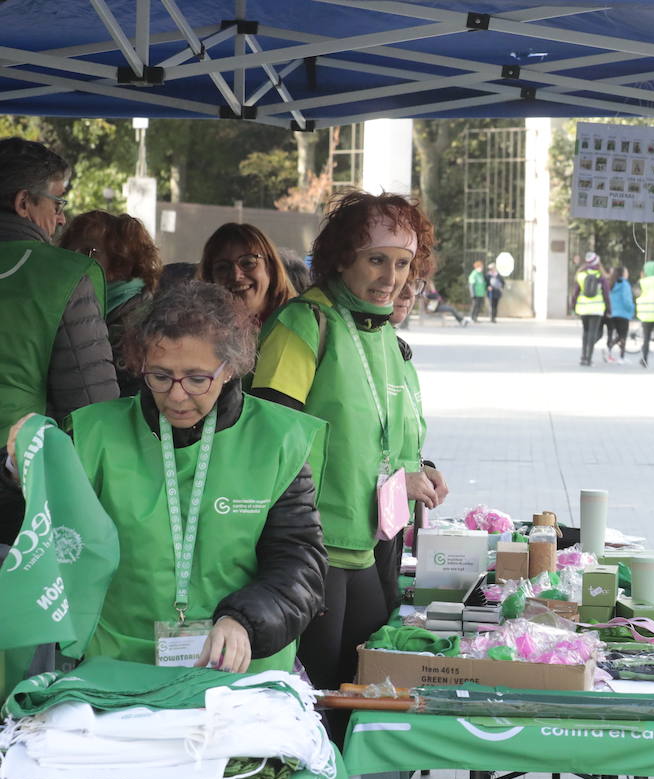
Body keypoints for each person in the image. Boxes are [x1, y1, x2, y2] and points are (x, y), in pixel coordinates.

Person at [1, 282, 327, 674]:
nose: (175, 395)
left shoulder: (279, 439)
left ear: (230, 369)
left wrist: (245, 620)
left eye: (196, 379)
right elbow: (32, 533)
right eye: (160, 376)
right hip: (118, 663)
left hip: (237, 668)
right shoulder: (93, 433)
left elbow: (299, 564)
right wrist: (18, 475)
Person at [253, 191, 440, 693]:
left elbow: (384, 431)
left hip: (372, 540)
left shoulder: (383, 333)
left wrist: (416, 466)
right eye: (376, 259)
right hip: (313, 543)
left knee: (366, 690)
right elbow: (268, 433)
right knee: (319, 695)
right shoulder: (304, 322)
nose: (391, 277)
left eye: (403, 263)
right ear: (341, 258)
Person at [0, 138, 117, 445]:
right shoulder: (68, 274)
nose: (62, 217)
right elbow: (91, 405)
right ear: (24, 202)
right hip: (19, 466)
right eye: (56, 203)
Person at [374, 274, 449, 609]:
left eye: (413, 280)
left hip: (387, 520)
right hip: (351, 534)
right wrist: (401, 482)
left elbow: (393, 437)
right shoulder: (355, 350)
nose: (405, 291)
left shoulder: (397, 351)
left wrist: (421, 467)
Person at [59, 210, 161, 396]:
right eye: (67, 251)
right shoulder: (70, 307)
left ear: (122, 264)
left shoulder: (147, 324)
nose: (72, 259)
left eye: (88, 252)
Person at [198, 223, 297, 328]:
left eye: (248, 263)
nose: (236, 276)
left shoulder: (297, 323)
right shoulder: (199, 329)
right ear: (210, 278)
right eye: (223, 268)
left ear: (271, 267)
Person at [573, 252, 608, 366]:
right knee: (593, 333)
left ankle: (583, 357)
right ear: (597, 262)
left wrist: (573, 306)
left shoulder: (581, 275)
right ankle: (589, 358)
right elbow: (606, 294)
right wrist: (609, 309)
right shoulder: (601, 276)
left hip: (583, 308)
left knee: (586, 332)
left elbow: (575, 293)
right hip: (597, 308)